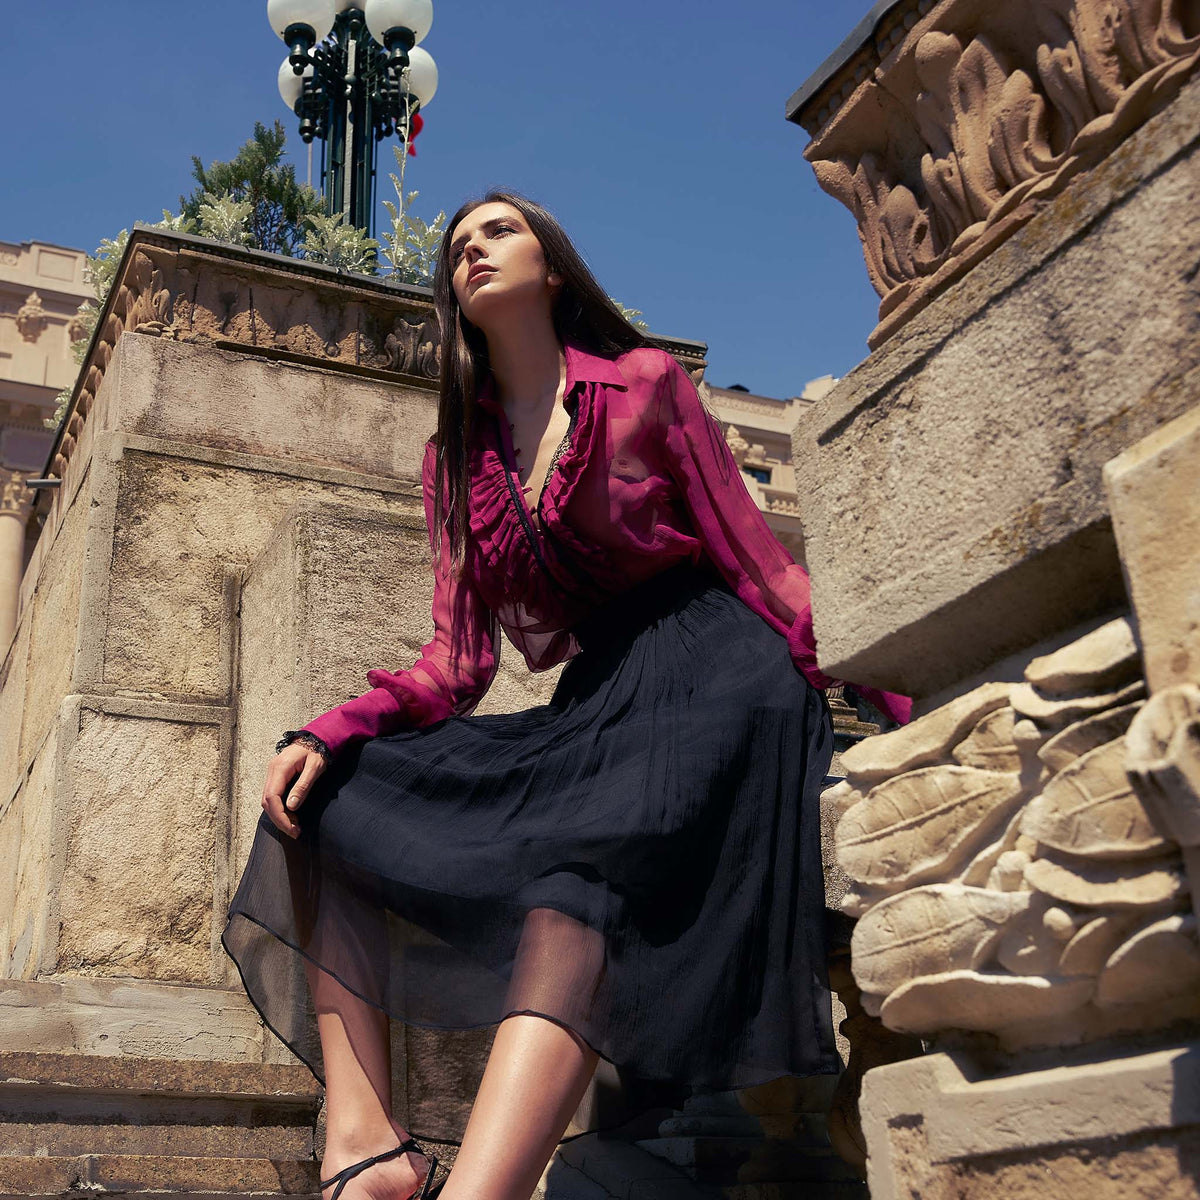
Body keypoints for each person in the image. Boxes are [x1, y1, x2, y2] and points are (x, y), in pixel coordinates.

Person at [222, 190, 909, 1200]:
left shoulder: (643, 385)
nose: (472, 252)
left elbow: (762, 570)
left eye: (498, 232)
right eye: (457, 247)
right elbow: (457, 663)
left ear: (554, 267)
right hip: (601, 702)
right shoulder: (455, 463)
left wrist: (900, 697)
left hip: (721, 674)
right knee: (322, 798)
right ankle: (365, 1148)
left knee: (579, 879)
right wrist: (333, 729)